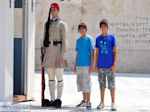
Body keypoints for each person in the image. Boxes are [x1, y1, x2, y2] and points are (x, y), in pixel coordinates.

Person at [42, 3, 68, 108]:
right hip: (49, 52)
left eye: (55, 10)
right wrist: (44, 53)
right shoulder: (47, 23)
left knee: (59, 77)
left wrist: (63, 55)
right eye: (51, 10)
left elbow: (65, 41)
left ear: (58, 11)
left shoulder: (62, 24)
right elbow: (44, 39)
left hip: (58, 51)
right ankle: (52, 99)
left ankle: (58, 99)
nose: (53, 12)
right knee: (51, 78)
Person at [95, 19, 117, 111]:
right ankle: (102, 102)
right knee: (102, 85)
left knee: (112, 85)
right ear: (100, 28)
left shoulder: (112, 38)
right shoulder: (98, 39)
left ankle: (113, 103)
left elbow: (115, 52)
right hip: (101, 66)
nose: (103, 28)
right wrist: (96, 65)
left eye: (105, 26)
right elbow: (97, 53)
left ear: (107, 27)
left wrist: (114, 64)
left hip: (110, 66)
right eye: (102, 26)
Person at [74, 23, 95, 110]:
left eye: (84, 28)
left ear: (86, 29)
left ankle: (89, 101)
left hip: (87, 65)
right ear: (78, 30)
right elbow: (77, 53)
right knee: (81, 84)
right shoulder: (77, 40)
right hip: (79, 65)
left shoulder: (89, 39)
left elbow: (92, 53)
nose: (82, 30)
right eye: (80, 29)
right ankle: (84, 100)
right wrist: (75, 66)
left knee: (87, 84)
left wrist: (91, 66)